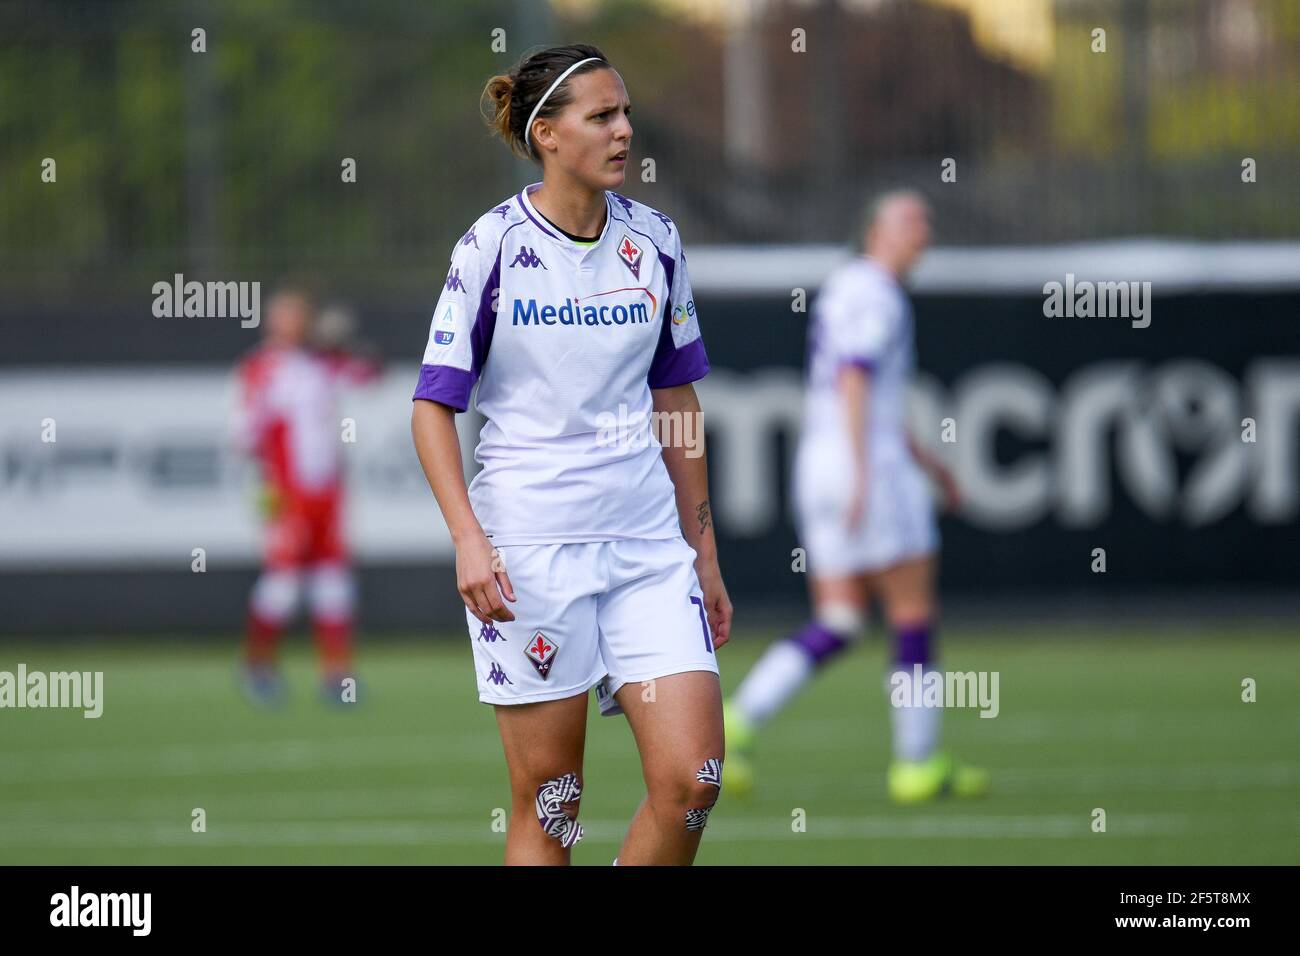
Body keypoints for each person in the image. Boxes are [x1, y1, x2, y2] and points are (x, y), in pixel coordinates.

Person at [410, 44, 733, 865]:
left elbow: (678, 404)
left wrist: (703, 552)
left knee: (692, 781)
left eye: (626, 113)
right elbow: (431, 408)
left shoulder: (657, 243)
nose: (625, 131)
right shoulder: (488, 250)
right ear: (546, 133)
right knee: (552, 809)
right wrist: (468, 540)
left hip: (645, 550)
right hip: (531, 553)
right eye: (602, 117)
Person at [723, 192, 988, 804]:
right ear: (873, 230)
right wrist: (867, 474)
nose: (922, 228)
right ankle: (917, 763)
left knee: (840, 619)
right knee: (913, 612)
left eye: (925, 219)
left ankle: (739, 720)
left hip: (822, 462)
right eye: (907, 218)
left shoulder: (846, 285)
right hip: (865, 467)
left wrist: (928, 462)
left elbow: (865, 391)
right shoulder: (876, 291)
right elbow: (855, 377)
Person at [234, 283, 380, 706]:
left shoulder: (322, 363)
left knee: (333, 582)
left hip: (327, 493)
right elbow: (244, 434)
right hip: (288, 493)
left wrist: (344, 343)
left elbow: (370, 374)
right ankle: (257, 666)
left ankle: (337, 676)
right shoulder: (263, 368)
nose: (293, 323)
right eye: (286, 315)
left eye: (300, 315)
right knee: (282, 583)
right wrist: (269, 487)